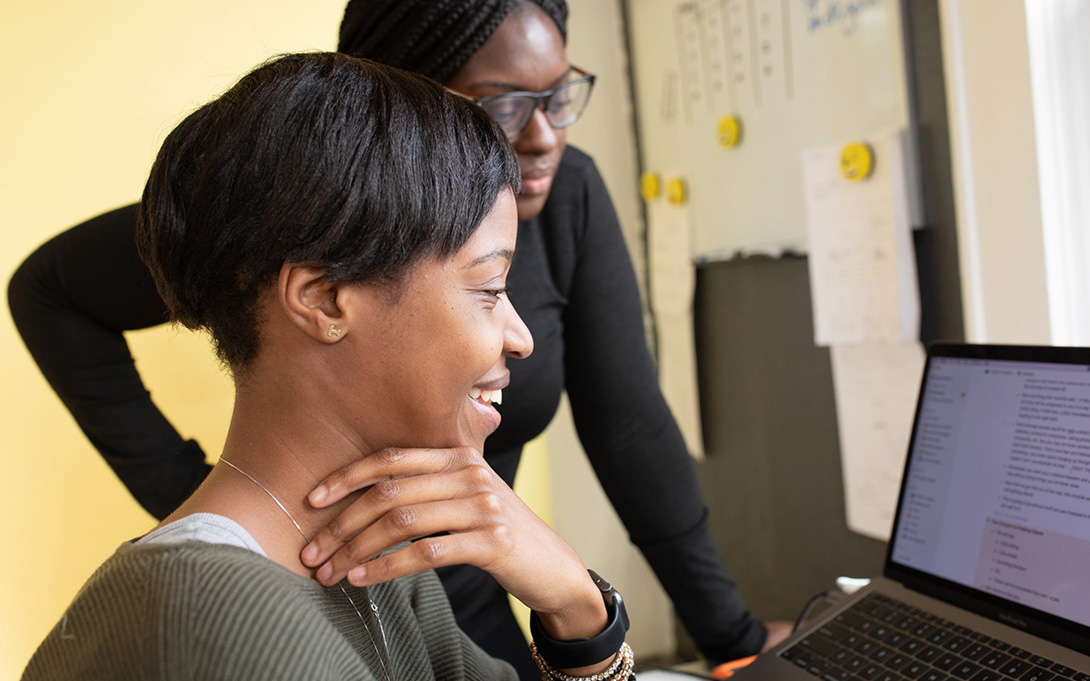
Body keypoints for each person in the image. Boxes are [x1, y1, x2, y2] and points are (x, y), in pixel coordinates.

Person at [8, 0, 791, 675]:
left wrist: (579, 605)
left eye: (558, 98)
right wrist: (207, 509)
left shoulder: (390, 573)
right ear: (322, 295)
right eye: (488, 291)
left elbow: (629, 424)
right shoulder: (223, 623)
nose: (544, 136)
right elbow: (50, 292)